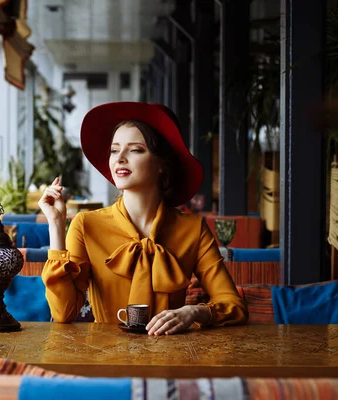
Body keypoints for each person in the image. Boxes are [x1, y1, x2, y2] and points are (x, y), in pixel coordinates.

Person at [38, 102, 248, 336]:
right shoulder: (86, 225)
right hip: (104, 359)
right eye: (115, 150)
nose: (120, 159)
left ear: (161, 165)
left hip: (171, 358)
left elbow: (234, 306)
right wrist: (56, 227)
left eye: (135, 150)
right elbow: (63, 313)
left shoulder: (193, 229)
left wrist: (193, 312)